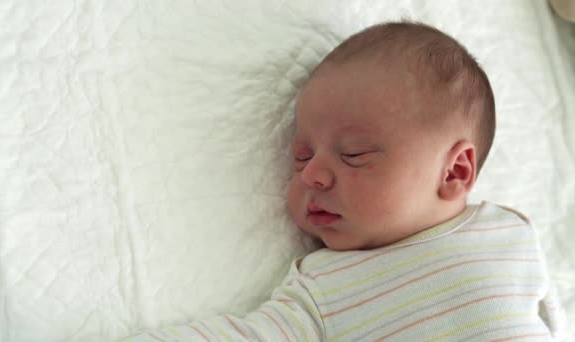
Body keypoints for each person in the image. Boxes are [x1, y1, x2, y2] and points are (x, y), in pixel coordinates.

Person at [125, 21, 565, 341]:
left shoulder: (506, 232)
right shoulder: (324, 288)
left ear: (454, 172)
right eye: (301, 157)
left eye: (354, 155)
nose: (312, 174)